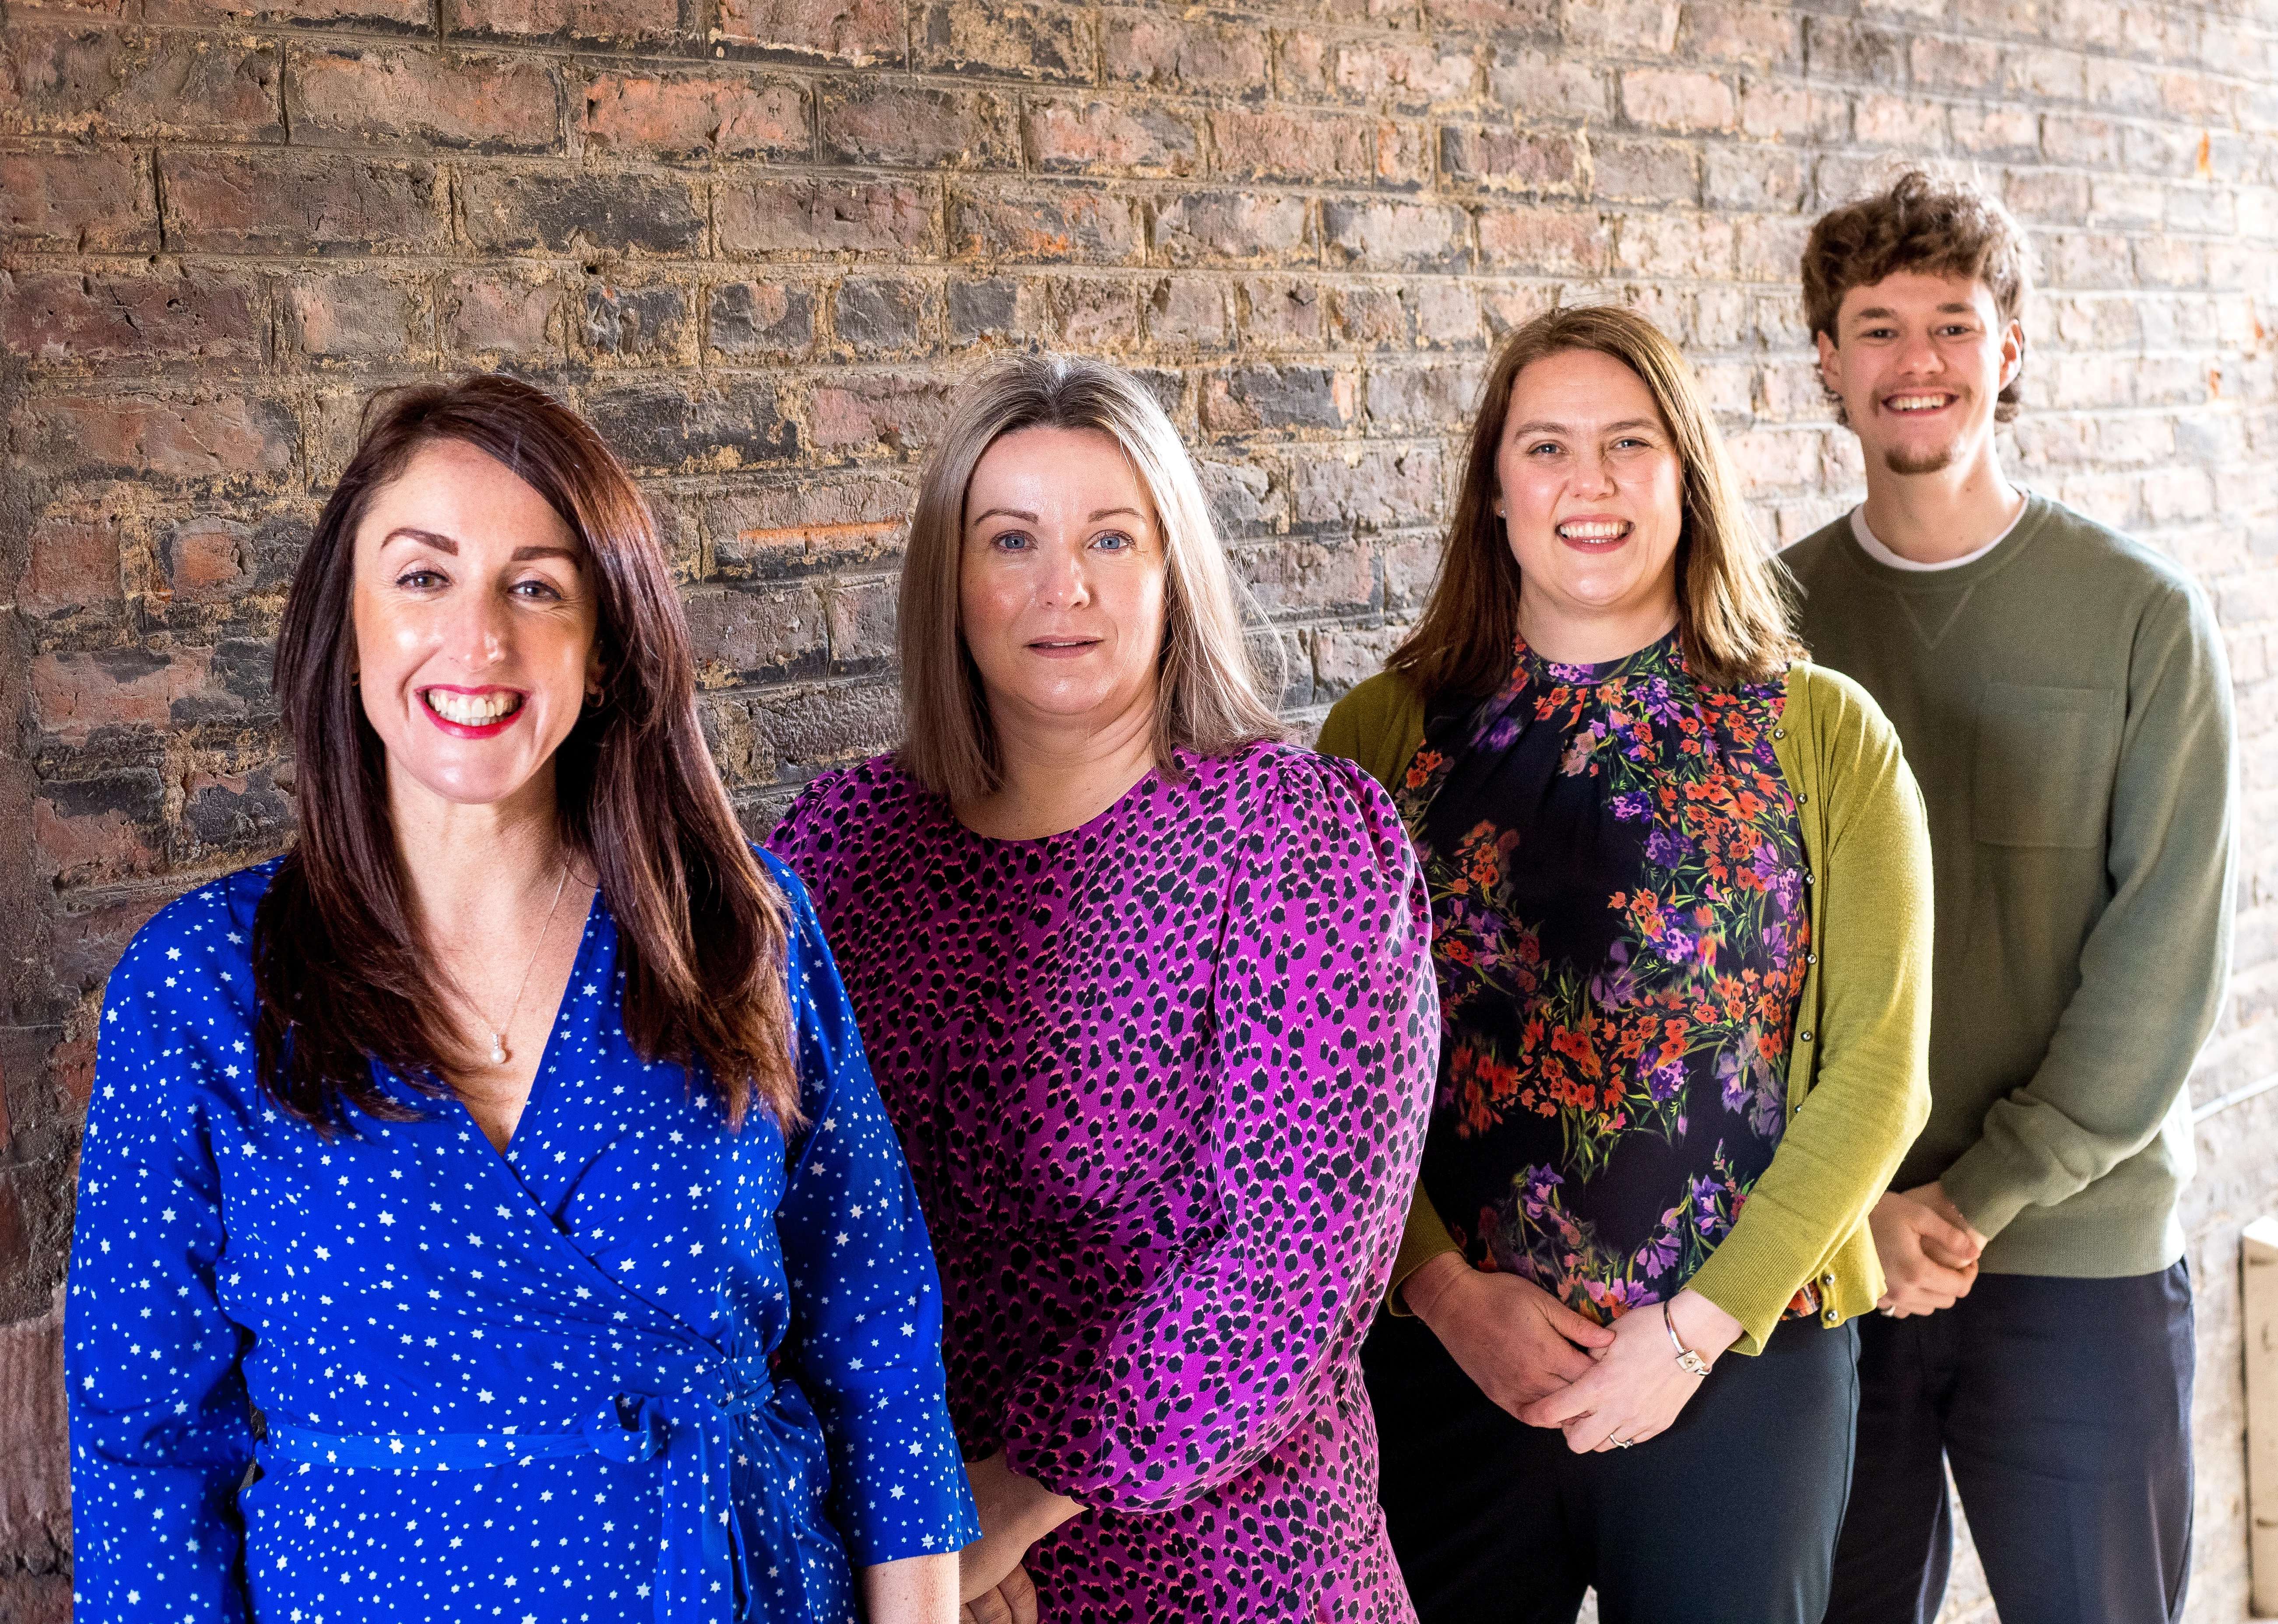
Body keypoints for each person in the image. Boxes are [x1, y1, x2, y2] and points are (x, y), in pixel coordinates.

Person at [64, 375, 977, 1624]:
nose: (478, 638)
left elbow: (877, 1345)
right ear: (350, 620)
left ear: (606, 650)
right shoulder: (201, 984)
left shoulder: (743, 932)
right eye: (425, 576)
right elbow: (146, 1453)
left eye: (537, 586)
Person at [769, 354, 1439, 1624]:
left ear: (1174, 568)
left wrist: (1000, 1506)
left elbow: (1297, 1262)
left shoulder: (1290, 840)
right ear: (947, 583)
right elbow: (768, 1221)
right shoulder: (843, 849)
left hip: (1231, 1567)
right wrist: (901, 1528)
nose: (1060, 586)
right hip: (917, 1572)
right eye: (1009, 538)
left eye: (1111, 538)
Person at [1318, 303, 1936, 1624]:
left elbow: (1879, 1078)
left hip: (1736, 1364)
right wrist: (1442, 1290)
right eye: (1544, 447)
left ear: (1686, 476)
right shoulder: (1380, 733)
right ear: (1494, 492)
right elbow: (1326, 1068)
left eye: (1627, 443)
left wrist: (1691, 1330)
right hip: (1450, 1361)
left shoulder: (1824, 735)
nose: (1586, 482)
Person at [1785, 171, 2235, 1624]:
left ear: (2010, 352)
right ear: (1827, 366)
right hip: (1829, 1255)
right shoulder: (1768, 625)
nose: (1916, 360)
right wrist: (1852, 1214)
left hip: (2075, 1253)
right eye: (1877, 326)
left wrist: (1969, 1197)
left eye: (1954, 324)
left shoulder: (2140, 619)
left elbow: (2159, 966)